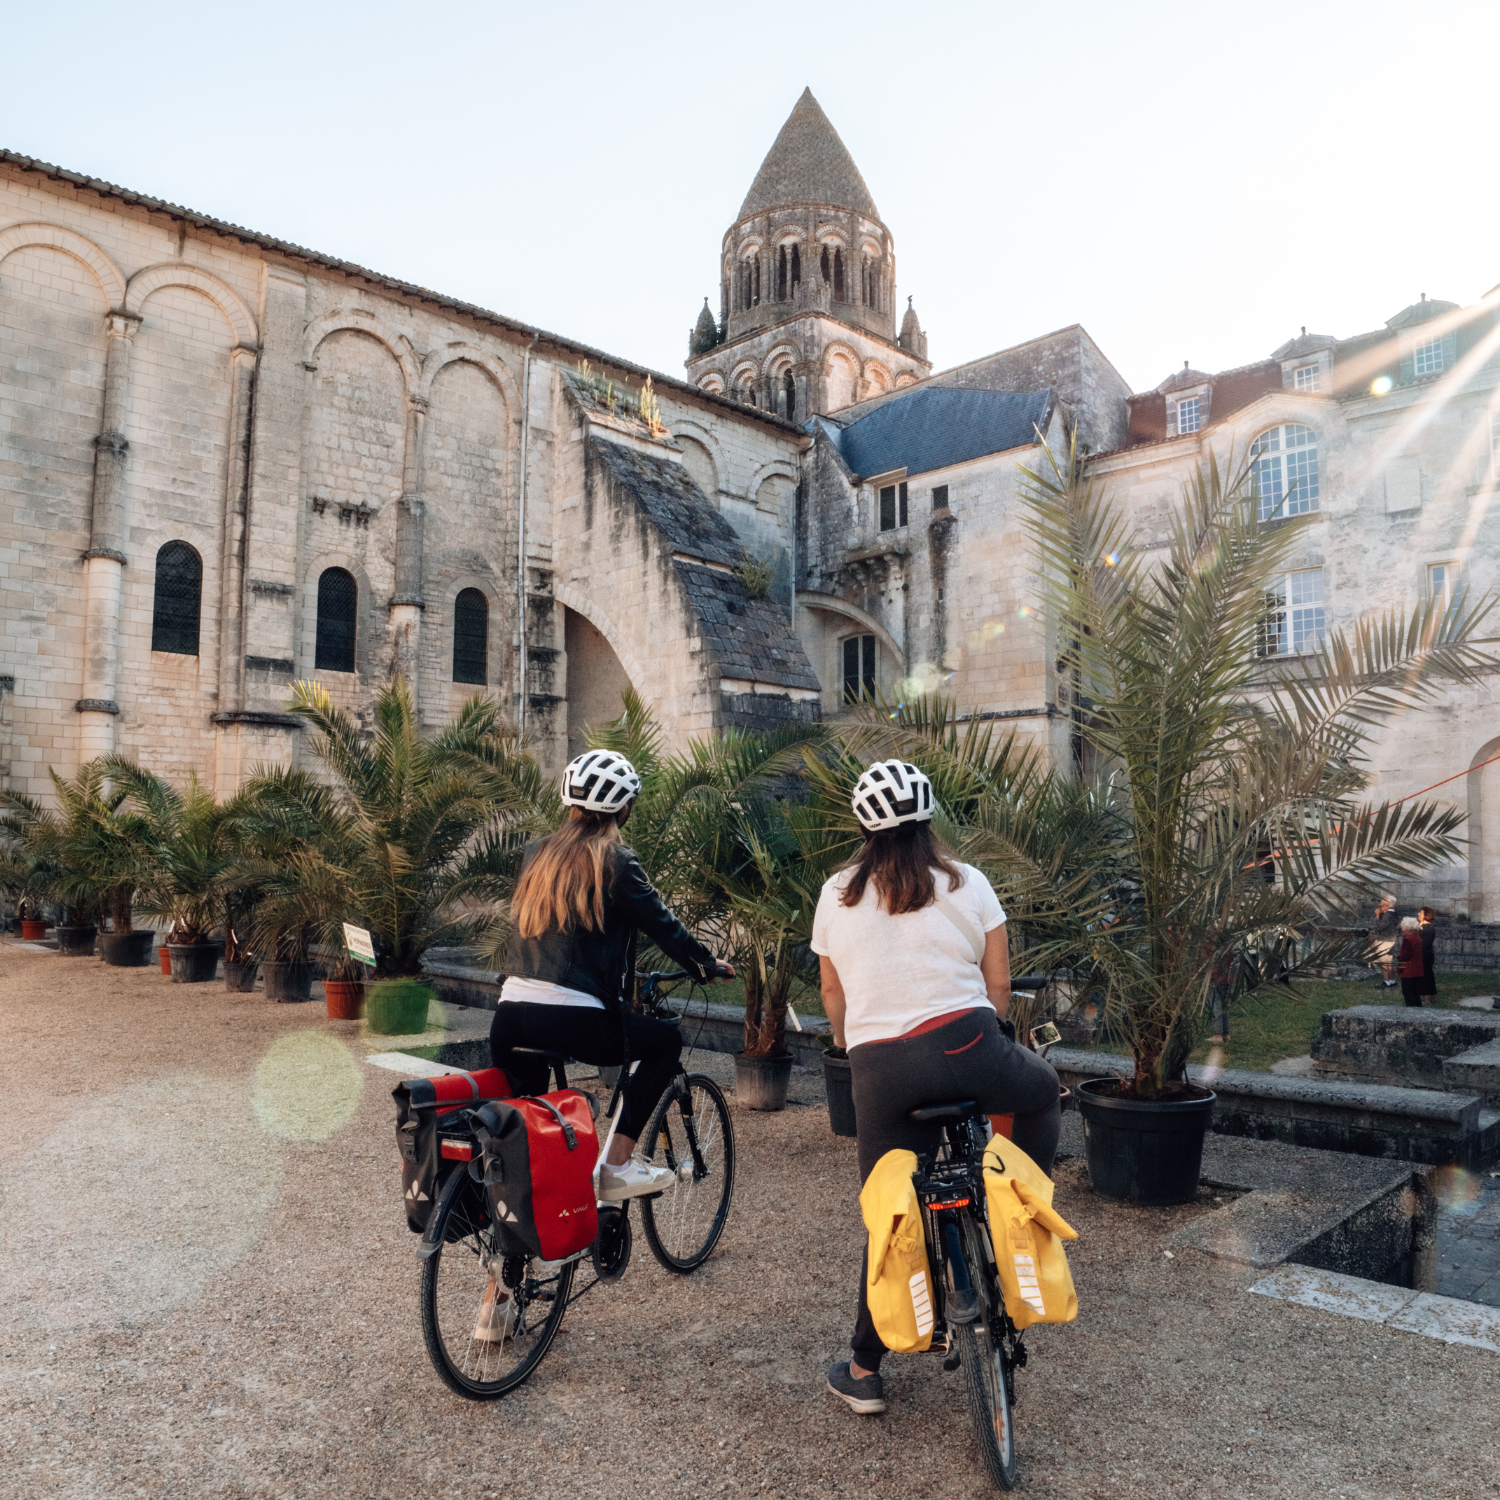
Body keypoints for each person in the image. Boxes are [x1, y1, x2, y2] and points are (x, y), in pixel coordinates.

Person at [812, 759, 1061, 1417]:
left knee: (890, 1212)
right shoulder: (969, 881)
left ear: (863, 828)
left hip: (880, 1072)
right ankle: (1018, 1213)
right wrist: (998, 1038)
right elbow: (998, 983)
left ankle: (864, 1369)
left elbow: (832, 991)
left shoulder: (836, 893)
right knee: (1042, 1091)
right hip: (968, 1045)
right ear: (929, 818)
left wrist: (849, 1045)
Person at [489, 748, 734, 1204]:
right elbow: (664, 927)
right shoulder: (615, 861)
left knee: (522, 1139)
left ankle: (518, 1257)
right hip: (570, 1018)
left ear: (571, 804)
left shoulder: (535, 854)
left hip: (510, 1014)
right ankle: (617, 1167)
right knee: (665, 1042)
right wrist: (705, 966)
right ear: (623, 809)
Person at [1369, 895, 1399, 987]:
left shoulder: (1387, 915)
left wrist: (1377, 917)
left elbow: (1380, 927)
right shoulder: (1393, 913)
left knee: (1383, 962)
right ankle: (1391, 981)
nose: (1382, 900)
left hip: (1384, 940)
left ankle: (1386, 982)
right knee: (1389, 962)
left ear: (1388, 903)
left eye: (1384, 899)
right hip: (1391, 939)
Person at [1396, 916, 1425, 1007]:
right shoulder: (1416, 935)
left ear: (1407, 926)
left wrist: (1399, 957)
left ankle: (1411, 1012)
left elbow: (1406, 955)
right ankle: (1418, 1010)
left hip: (1409, 968)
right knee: (1415, 991)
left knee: (1408, 992)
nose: (1401, 927)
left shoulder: (1408, 938)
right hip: (1416, 967)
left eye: (1402, 925)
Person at [1418, 907, 1439, 1005]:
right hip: (1427, 953)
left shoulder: (1426, 928)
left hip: (1424, 953)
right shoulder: (1426, 927)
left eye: (1421, 913)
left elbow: (1424, 942)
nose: (1418, 914)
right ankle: (1430, 996)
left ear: (1426, 915)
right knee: (1428, 974)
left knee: (1425, 975)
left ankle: (1426, 997)